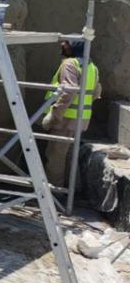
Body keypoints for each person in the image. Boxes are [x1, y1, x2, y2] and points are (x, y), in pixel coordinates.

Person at [42, 39, 101, 185]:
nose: (63, 45)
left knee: (55, 156)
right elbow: (96, 92)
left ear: (74, 46)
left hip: (64, 119)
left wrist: (54, 114)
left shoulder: (69, 64)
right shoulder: (91, 66)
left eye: (66, 44)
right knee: (69, 155)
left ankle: (54, 192)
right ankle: (70, 190)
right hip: (80, 120)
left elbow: (70, 90)